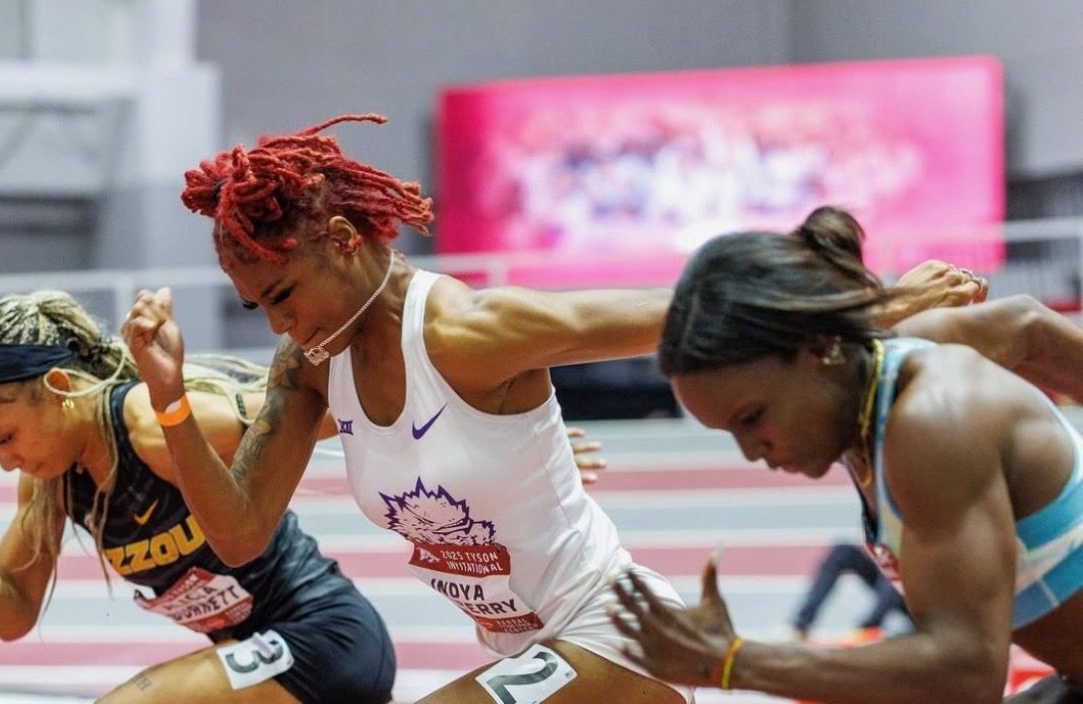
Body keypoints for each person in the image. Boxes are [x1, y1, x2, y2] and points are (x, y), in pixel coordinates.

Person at [120, 114, 986, 704]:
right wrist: (169, 399)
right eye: (257, 308)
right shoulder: (308, 368)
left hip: (617, 632)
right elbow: (236, 536)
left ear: (345, 244)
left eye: (283, 294)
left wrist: (867, 302)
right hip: (528, 656)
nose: (279, 323)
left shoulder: (467, 330)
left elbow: (678, 305)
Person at [611, 206, 1083, 703]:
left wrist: (732, 661)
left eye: (752, 418)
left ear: (817, 350)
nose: (752, 452)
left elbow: (966, 672)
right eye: (731, 433)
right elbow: (1025, 327)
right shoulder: (879, 375)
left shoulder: (933, 420)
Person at [0, 290, 397, 704]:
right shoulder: (51, 482)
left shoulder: (150, 427)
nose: (4, 461)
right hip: (254, 659)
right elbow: (13, 615)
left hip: (326, 641)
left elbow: (309, 408)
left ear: (60, 387)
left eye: (6, 437)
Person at [790, 542, 911, 641]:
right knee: (842, 553)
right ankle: (801, 626)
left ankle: (868, 630)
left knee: (896, 570)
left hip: (922, 600)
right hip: (899, 583)